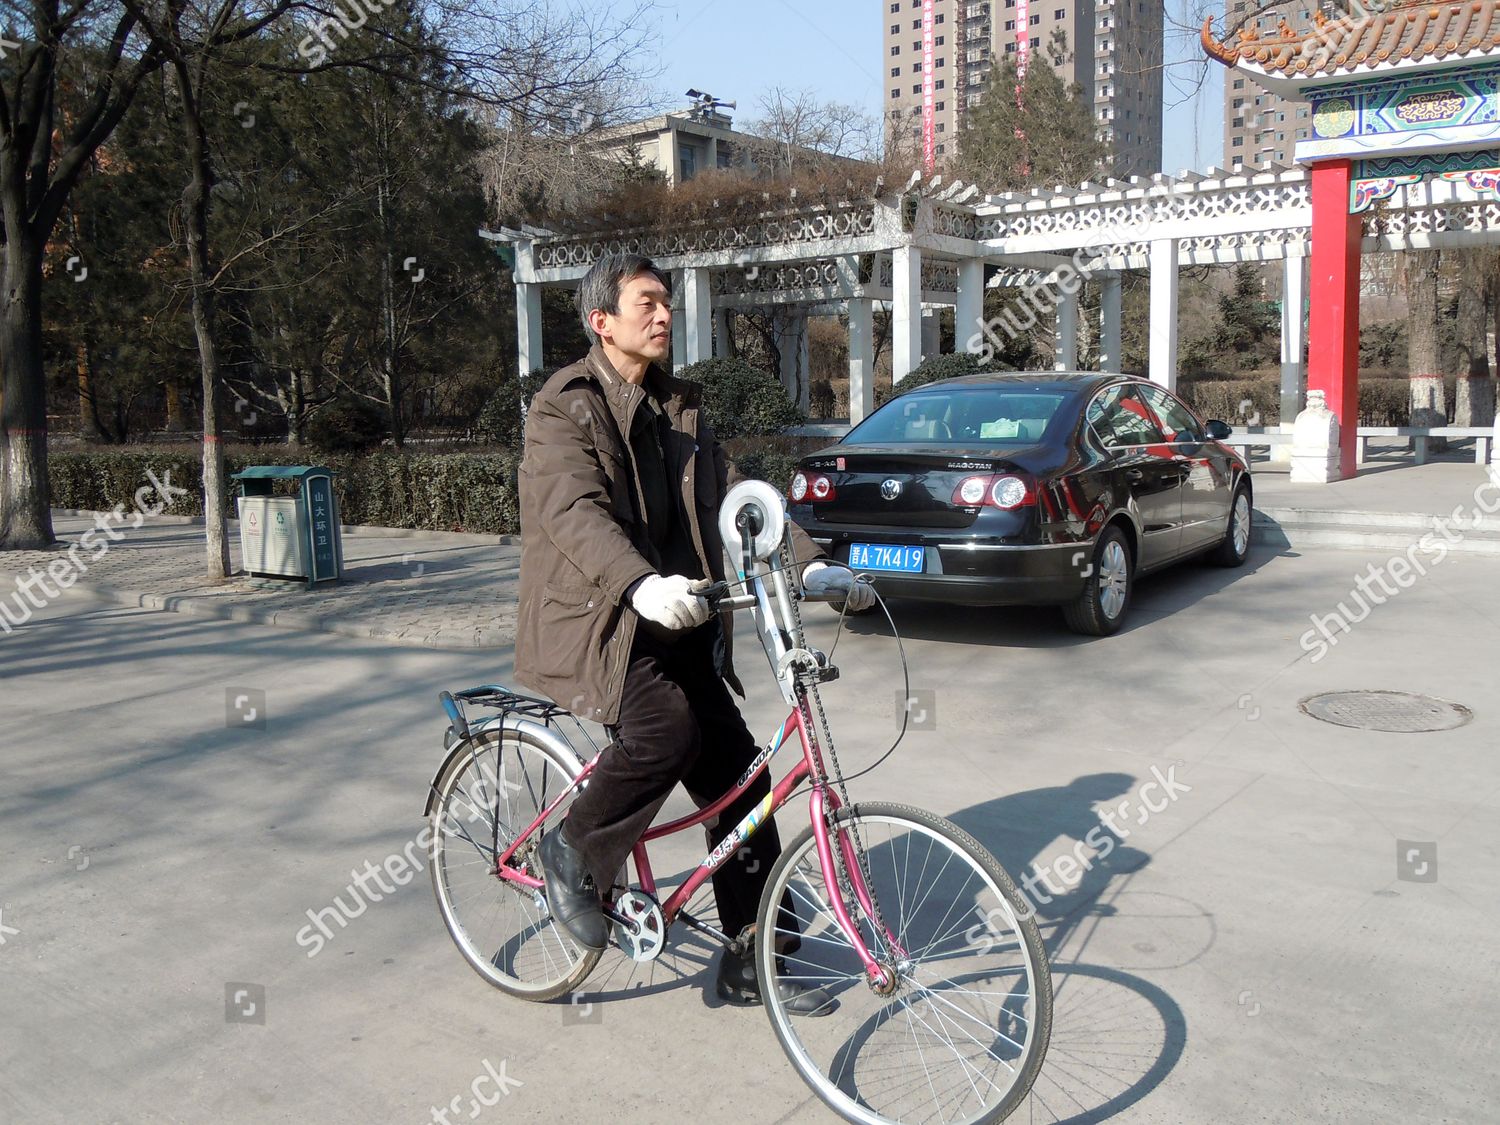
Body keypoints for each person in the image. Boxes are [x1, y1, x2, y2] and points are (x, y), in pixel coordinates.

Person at [514, 253, 873, 1013]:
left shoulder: (678, 407)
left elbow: (740, 502)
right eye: (647, 301)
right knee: (665, 730)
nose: (664, 314)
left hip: (681, 618)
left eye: (668, 302)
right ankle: (574, 847)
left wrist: (809, 566)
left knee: (744, 781)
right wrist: (641, 583)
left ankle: (754, 957)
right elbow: (573, 513)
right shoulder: (562, 408)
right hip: (605, 624)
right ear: (600, 319)